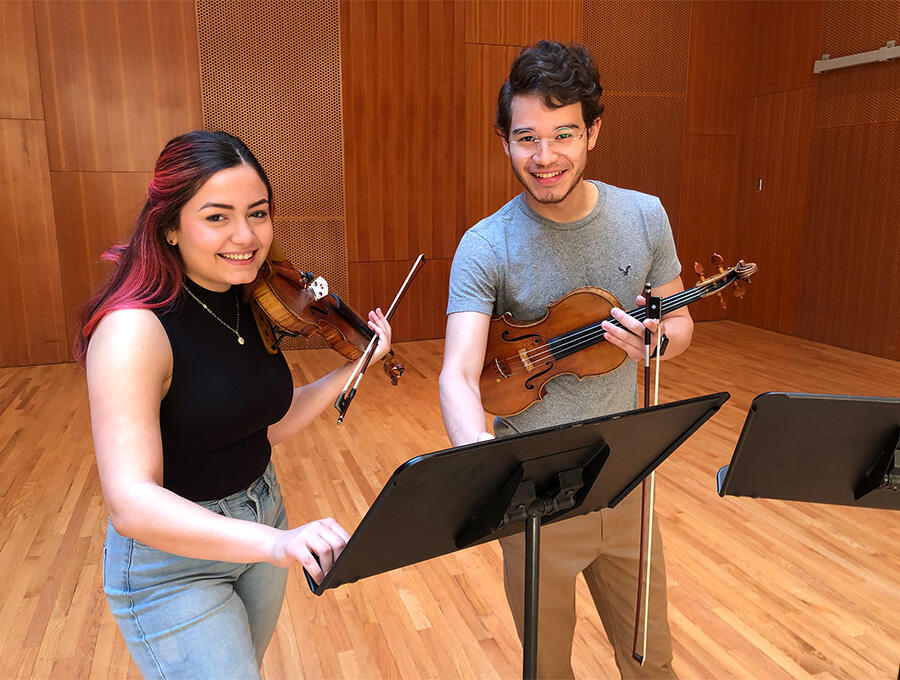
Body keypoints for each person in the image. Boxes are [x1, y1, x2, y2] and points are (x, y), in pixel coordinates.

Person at [76, 130, 392, 679]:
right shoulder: (133, 331)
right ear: (170, 226)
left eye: (258, 213)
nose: (246, 236)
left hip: (261, 511)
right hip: (173, 561)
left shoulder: (245, 297)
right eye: (217, 217)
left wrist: (352, 366)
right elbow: (131, 501)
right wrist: (277, 544)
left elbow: (258, 428)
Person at [439, 41, 693, 679]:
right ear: (504, 140)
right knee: (546, 668)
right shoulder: (486, 244)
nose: (545, 157)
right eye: (527, 138)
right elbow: (459, 372)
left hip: (629, 478)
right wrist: (480, 459)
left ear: (593, 133)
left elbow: (679, 319)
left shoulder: (644, 216)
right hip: (533, 489)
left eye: (564, 134)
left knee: (650, 659)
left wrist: (657, 342)